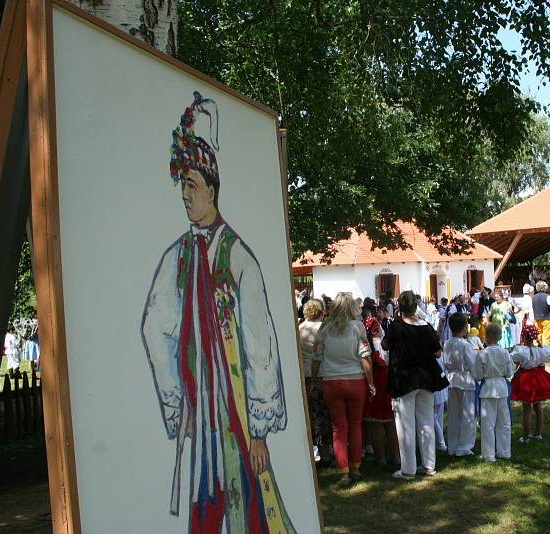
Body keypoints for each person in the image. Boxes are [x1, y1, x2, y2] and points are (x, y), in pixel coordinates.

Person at [141, 92, 295, 532]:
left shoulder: (239, 258)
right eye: (181, 187)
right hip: (198, 411)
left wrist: (260, 426)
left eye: (192, 185)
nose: (185, 196)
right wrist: (177, 400)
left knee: (248, 509)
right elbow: (155, 328)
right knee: (204, 509)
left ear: (212, 187)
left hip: (236, 416)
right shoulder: (178, 257)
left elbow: (261, 344)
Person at [382, 291, 448, 480]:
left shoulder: (396, 326)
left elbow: (385, 345)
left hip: (404, 379)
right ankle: (429, 465)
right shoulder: (426, 327)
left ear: (400, 307)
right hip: (425, 378)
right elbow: (437, 352)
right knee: (426, 422)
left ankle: (408, 469)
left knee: (405, 425)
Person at [312, 294, 376, 486]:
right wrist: (371, 382)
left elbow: (316, 358)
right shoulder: (357, 328)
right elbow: (365, 357)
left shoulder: (324, 328)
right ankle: (355, 466)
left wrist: (315, 379)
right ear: (351, 309)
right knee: (355, 425)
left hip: (331, 381)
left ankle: (343, 472)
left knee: (338, 428)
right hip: (355, 381)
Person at [361, 304, 400, 469]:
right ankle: (396, 457)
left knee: (375, 422)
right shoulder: (383, 344)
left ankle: (381, 458)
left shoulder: (365, 345)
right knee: (389, 421)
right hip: (385, 380)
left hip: (372, 381)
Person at [511, 325, 550, 442]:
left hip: (526, 379)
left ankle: (525, 436)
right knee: (537, 406)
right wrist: (539, 344)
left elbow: (514, 366)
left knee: (526, 409)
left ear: (524, 336)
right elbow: (542, 363)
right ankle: (538, 433)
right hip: (537, 378)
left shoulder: (520, 351)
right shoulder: (540, 351)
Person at [474, 324, 514, 462]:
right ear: (499, 337)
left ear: (485, 336)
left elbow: (477, 375)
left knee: (488, 423)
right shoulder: (505, 353)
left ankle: (489, 454)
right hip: (502, 387)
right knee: (504, 422)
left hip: (488, 388)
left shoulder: (482, 354)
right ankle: (504, 451)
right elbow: (509, 372)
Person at [299, 299, 332, 465]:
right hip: (323, 374)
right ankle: (326, 454)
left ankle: (311, 455)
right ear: (321, 312)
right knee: (324, 415)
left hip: (305, 376)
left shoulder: (298, 329)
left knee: (311, 416)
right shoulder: (324, 329)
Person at [442, 313, 477, 457]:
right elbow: (472, 364)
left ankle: (453, 445)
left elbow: (445, 361)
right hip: (464, 379)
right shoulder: (465, 345)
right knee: (467, 413)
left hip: (451, 379)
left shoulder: (447, 343)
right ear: (464, 327)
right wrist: (477, 376)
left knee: (454, 413)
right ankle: (464, 446)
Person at [532, 280, 550, 347]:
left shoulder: (533, 297)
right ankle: (546, 351)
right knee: (546, 336)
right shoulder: (547, 297)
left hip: (536, 318)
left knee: (538, 335)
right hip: (546, 318)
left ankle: (538, 350)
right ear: (545, 288)